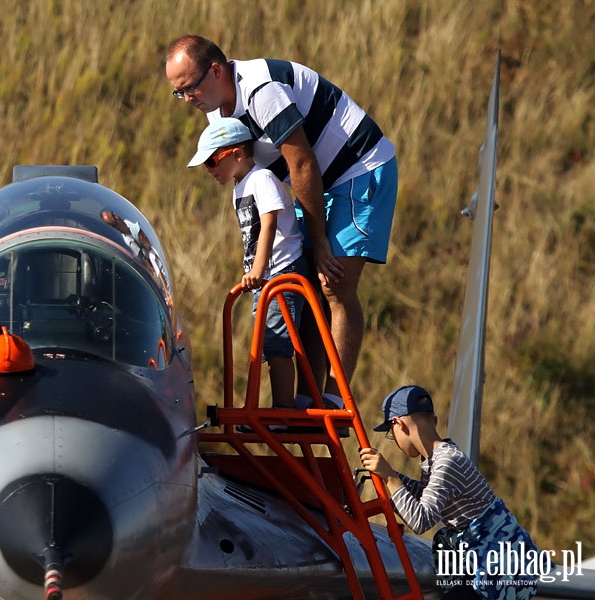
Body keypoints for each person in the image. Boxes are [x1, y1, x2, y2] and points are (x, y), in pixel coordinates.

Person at [165, 34, 398, 401]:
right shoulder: (215, 109)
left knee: (334, 282)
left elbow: (302, 162)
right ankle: (308, 400)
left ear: (215, 71)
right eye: (179, 93)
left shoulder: (260, 90)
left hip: (357, 169)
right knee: (303, 282)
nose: (187, 99)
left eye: (190, 88)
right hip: (317, 182)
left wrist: (319, 240)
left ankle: (336, 399)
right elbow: (256, 178)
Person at [188, 116, 319, 410]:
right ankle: (277, 407)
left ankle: (284, 410)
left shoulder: (261, 178)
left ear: (236, 154)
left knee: (278, 342)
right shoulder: (240, 186)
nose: (209, 171)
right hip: (265, 275)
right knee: (267, 342)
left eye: (212, 162)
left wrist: (259, 268)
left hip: (282, 270)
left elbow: (269, 222)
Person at [359, 385, 538, 599]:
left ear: (399, 424)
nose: (394, 439)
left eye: (390, 433)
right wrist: (389, 475)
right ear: (434, 421)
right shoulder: (437, 459)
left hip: (495, 565)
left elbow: (421, 520)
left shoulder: (446, 462)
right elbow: (425, 497)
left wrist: (391, 478)